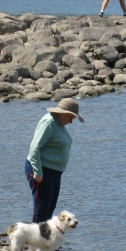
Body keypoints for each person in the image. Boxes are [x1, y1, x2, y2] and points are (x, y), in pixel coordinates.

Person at [25, 98, 85, 230]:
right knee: (42, 207)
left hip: (54, 172)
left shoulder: (59, 124)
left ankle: (46, 241)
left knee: (50, 207)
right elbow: (34, 147)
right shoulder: (49, 122)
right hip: (42, 170)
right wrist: (38, 172)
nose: (71, 121)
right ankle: (37, 246)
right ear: (62, 113)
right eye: (70, 117)